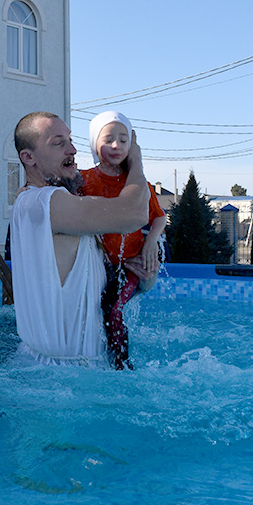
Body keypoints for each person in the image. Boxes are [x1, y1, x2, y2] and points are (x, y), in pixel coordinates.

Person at [9, 111, 154, 367]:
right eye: (58, 143)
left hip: (68, 374)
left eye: (70, 139)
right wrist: (136, 161)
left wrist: (145, 277)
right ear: (28, 157)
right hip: (58, 381)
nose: (72, 149)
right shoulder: (45, 203)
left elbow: (98, 291)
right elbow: (136, 213)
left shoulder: (51, 205)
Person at [81, 111, 167, 369]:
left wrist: (151, 242)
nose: (117, 146)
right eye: (108, 139)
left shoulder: (139, 183)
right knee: (98, 308)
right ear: (94, 143)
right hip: (103, 263)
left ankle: (121, 365)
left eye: (123, 140)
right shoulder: (84, 180)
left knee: (112, 307)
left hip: (132, 262)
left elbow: (159, 218)